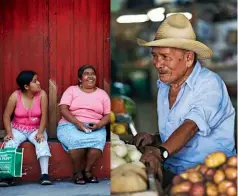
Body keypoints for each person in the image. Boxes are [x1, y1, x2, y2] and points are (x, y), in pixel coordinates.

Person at [134, 14, 236, 188]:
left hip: (210, 178)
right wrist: (156, 138)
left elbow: (192, 125)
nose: (158, 64)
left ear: (188, 58)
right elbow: (179, 128)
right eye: (155, 56)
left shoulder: (209, 83)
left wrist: (160, 152)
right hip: (175, 172)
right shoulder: (165, 85)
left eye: (165, 57)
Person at [57, 64, 110, 185]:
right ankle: (77, 172)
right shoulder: (71, 90)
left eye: (93, 74)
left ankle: (87, 171)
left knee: (98, 141)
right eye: (87, 74)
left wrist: (99, 125)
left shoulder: (102, 94)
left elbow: (107, 115)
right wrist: (77, 123)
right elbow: (63, 109)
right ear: (80, 78)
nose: (91, 76)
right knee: (76, 142)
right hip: (70, 124)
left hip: (95, 126)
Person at [1, 70, 52, 186]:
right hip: (17, 128)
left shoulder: (42, 94)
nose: (38, 83)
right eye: (35, 81)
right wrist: (9, 132)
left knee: (42, 143)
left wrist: (40, 132)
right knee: (10, 143)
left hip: (35, 129)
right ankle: (7, 176)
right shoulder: (15, 96)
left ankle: (45, 175)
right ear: (26, 86)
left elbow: (45, 115)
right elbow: (6, 115)